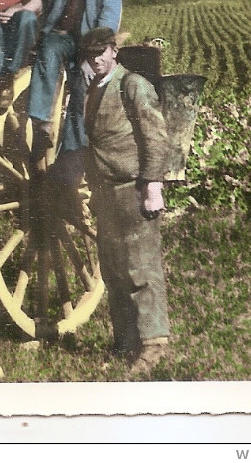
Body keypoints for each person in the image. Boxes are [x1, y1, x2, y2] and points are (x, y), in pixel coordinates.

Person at [75, 27, 171, 376]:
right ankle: (126, 343)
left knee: (140, 267)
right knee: (114, 270)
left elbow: (155, 136)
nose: (96, 59)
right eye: (90, 54)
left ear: (114, 51)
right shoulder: (93, 89)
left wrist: (153, 185)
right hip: (105, 191)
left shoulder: (132, 85)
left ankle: (153, 344)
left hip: (133, 186)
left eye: (102, 51)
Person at [29, 0, 122, 158]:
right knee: (47, 48)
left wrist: (93, 53)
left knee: (81, 90)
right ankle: (40, 122)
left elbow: (109, 17)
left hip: (90, 43)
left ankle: (71, 156)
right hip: (60, 39)